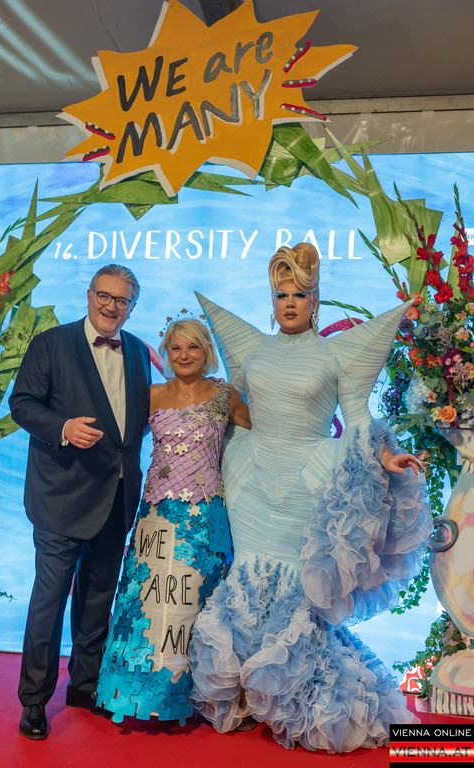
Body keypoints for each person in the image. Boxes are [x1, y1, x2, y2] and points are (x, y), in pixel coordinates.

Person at [188, 243, 432, 752]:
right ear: (272, 301)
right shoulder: (253, 350)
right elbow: (228, 403)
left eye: (300, 295)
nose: (290, 303)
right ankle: (245, 694)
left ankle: (295, 695)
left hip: (309, 479)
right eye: (282, 295)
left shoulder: (334, 354)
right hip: (250, 478)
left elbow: (358, 418)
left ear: (316, 301)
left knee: (294, 585)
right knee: (246, 575)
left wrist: (385, 455)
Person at [9, 265, 151, 740]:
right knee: (48, 603)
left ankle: (85, 684)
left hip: (116, 498)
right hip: (61, 499)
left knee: (97, 599)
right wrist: (64, 429)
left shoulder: (137, 350)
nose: (111, 306)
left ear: (132, 306)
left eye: (122, 300)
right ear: (89, 296)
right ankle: (34, 700)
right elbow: (22, 404)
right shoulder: (51, 343)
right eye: (104, 296)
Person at [96, 318, 251, 724]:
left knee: (197, 607)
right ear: (166, 353)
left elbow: (261, 445)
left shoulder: (225, 396)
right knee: (145, 604)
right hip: (155, 516)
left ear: (207, 351)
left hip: (206, 521)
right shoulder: (151, 395)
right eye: (176, 348)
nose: (184, 356)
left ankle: (196, 696)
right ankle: (131, 695)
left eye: (192, 347)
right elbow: (118, 442)